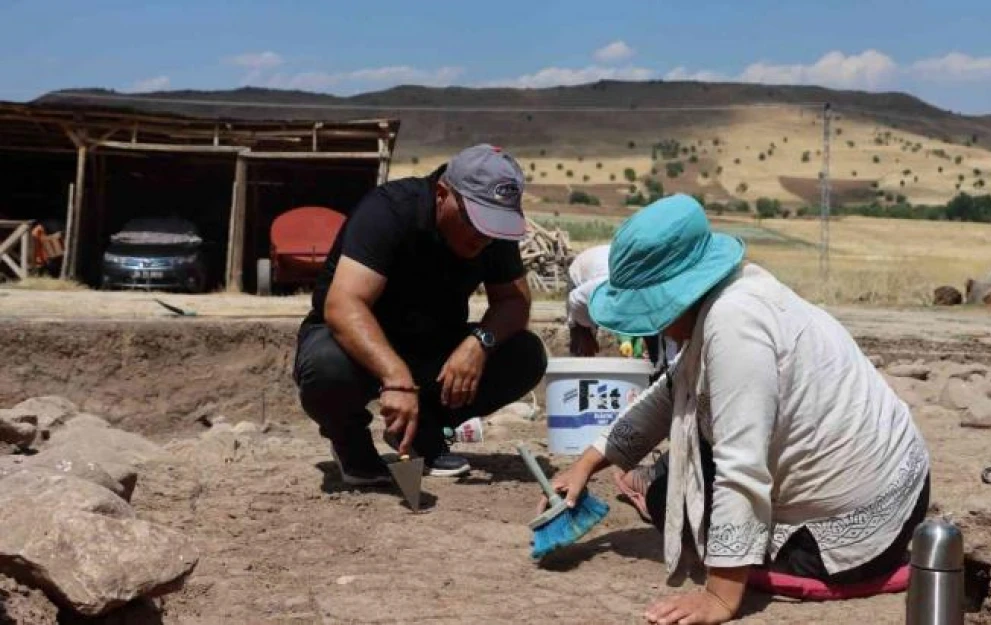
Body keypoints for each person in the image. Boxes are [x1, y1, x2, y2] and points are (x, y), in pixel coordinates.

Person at [542, 194, 930, 625]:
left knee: (672, 502)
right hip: (895, 485)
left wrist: (720, 596)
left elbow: (741, 467)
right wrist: (586, 465)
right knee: (676, 485)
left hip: (861, 520)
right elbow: (669, 392)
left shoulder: (734, 322)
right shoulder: (728, 292)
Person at [294, 144, 548, 485]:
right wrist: (396, 379)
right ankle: (350, 442)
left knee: (525, 354)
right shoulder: (389, 211)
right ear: (443, 194)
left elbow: (514, 302)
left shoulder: (490, 234)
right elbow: (344, 305)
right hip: (354, 347)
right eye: (476, 222)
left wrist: (478, 344)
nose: (484, 238)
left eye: (494, 226)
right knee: (326, 366)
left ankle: (424, 432)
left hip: (431, 346)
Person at [566, 243, 677, 375]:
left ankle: (655, 371)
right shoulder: (605, 287)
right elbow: (575, 299)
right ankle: (578, 379)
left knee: (656, 346)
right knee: (582, 344)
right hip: (584, 272)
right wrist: (586, 329)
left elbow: (668, 344)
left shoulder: (660, 301)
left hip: (618, 271)